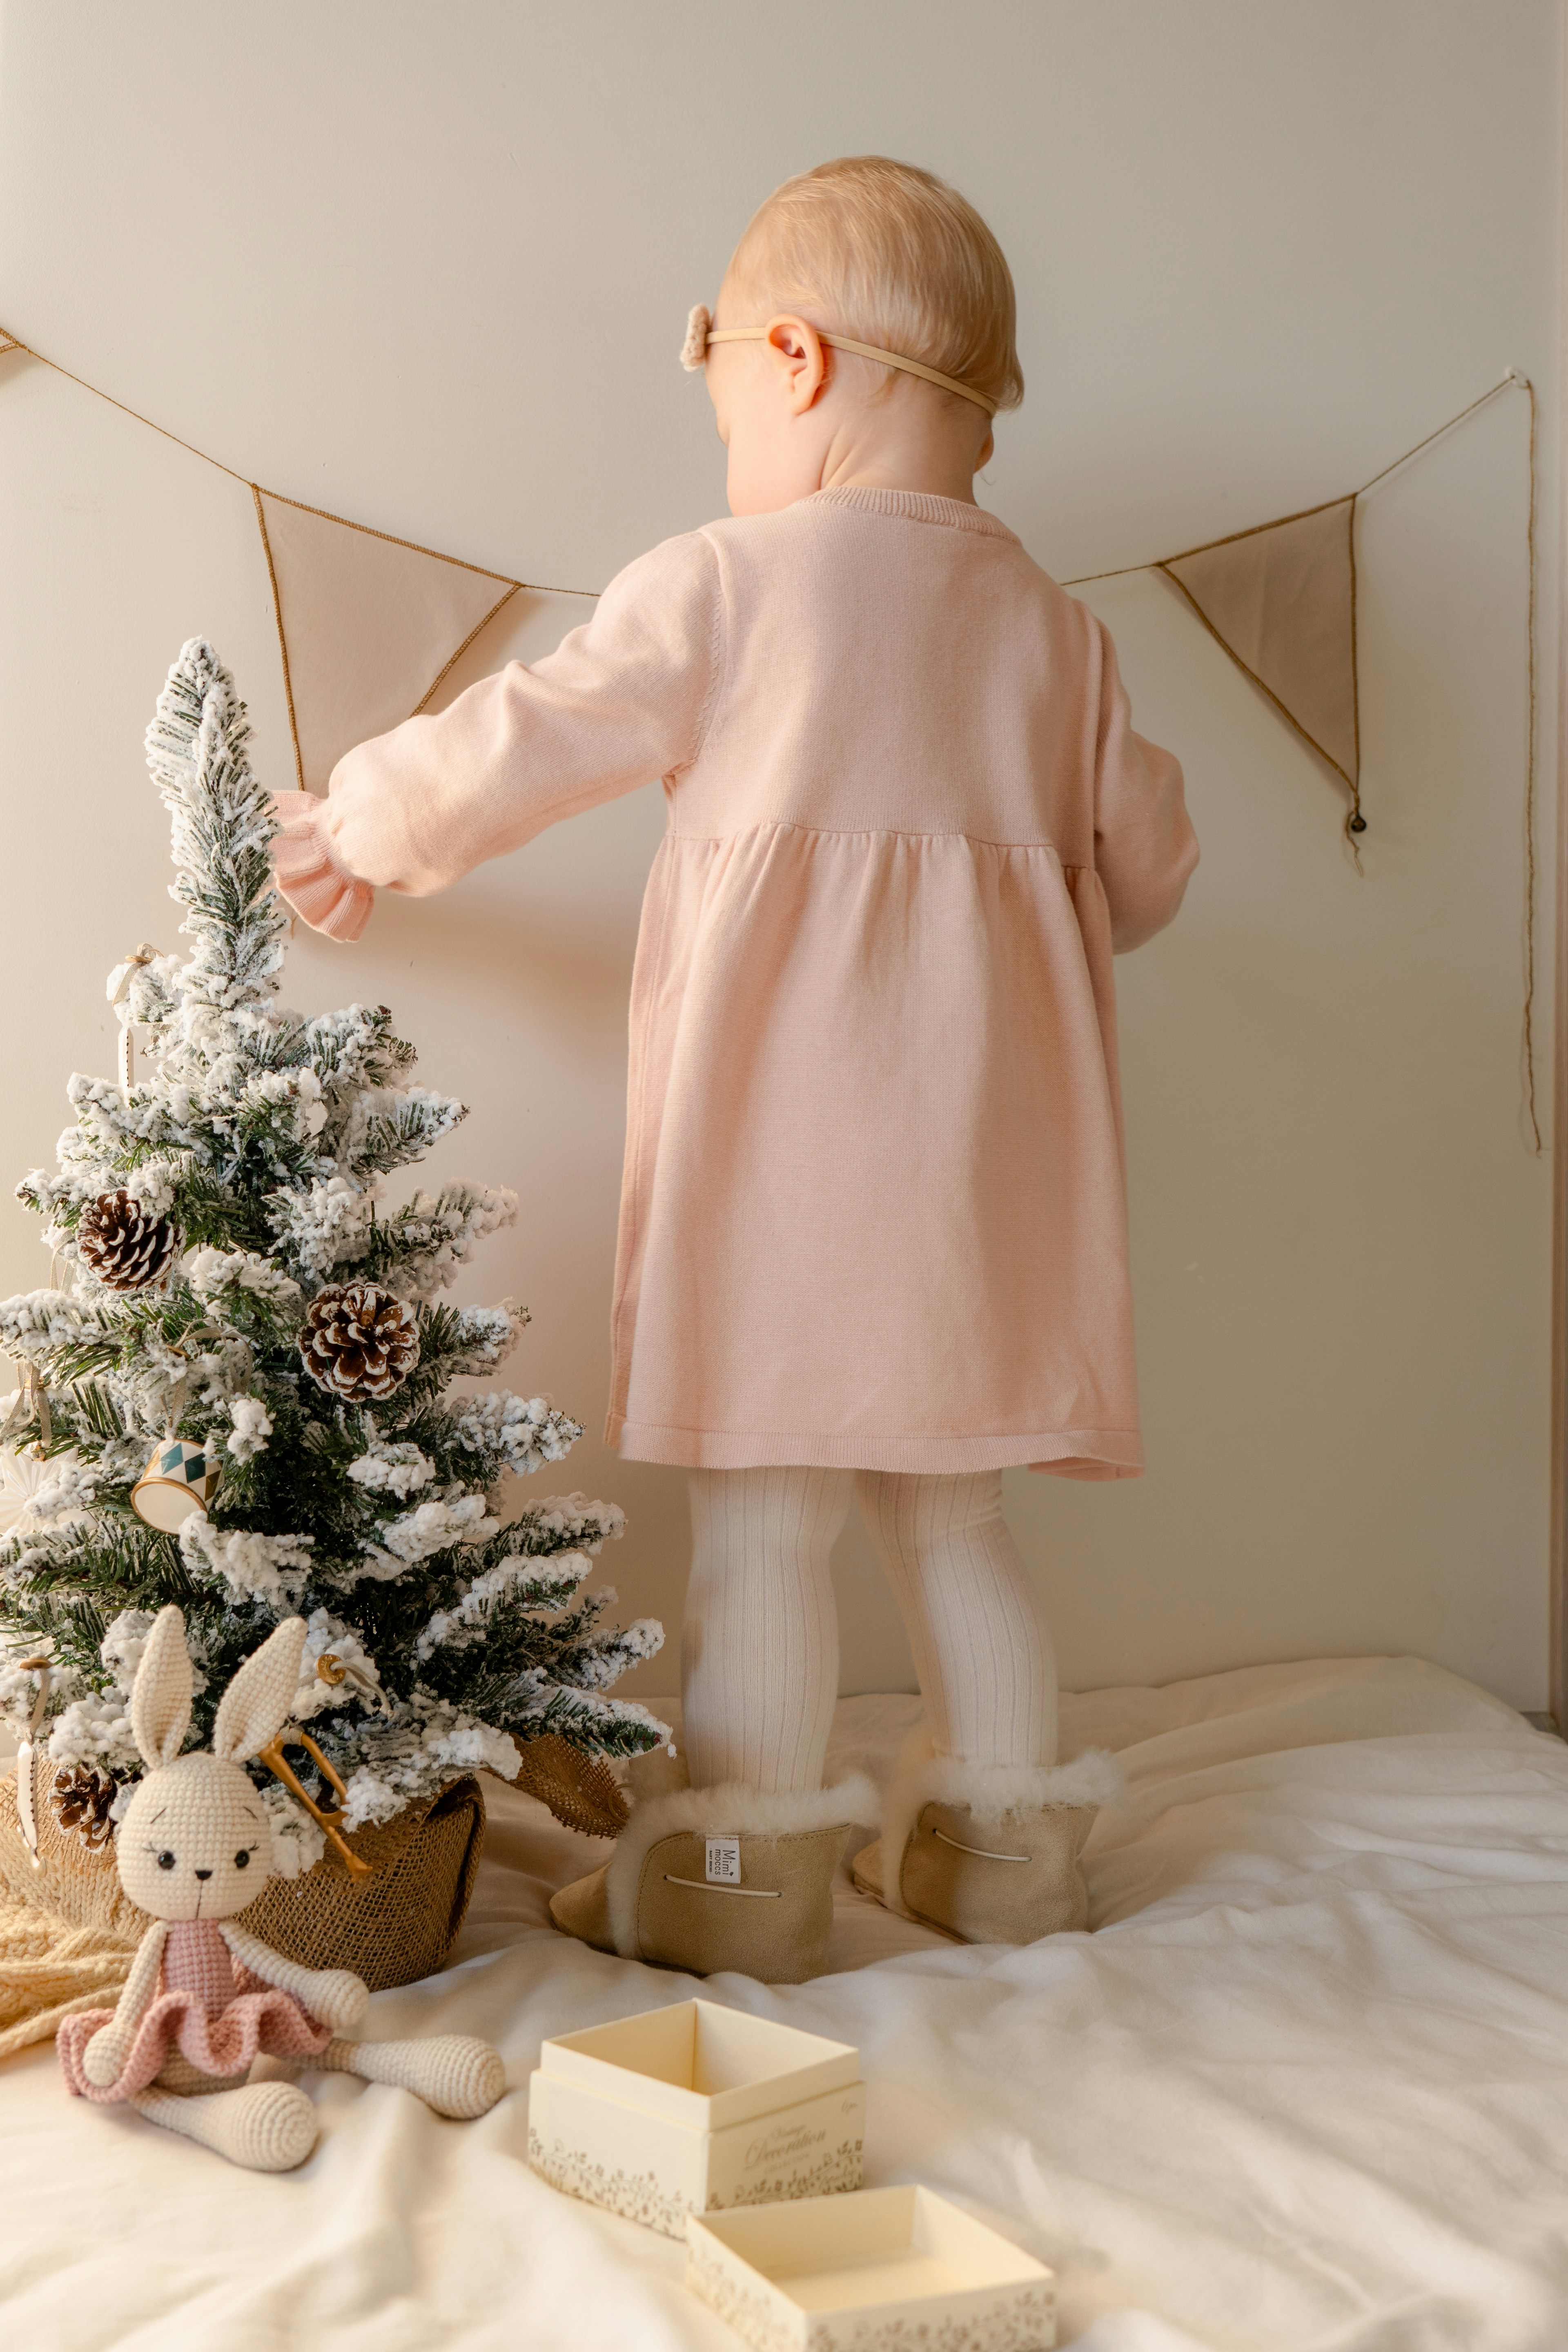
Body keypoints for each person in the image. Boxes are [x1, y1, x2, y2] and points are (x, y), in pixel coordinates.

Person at [273, 156, 1197, 1978]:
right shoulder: (1062, 636)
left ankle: (742, 1894)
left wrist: (360, 823)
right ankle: (1014, 1860)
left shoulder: (728, 585)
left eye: (715, 395)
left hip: (784, 1156)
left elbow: (528, 736)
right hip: (989, 1183)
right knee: (959, 1520)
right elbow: (1154, 870)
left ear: (790, 360)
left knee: (767, 1521)